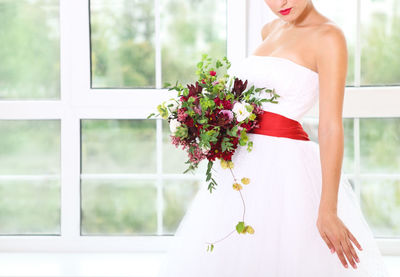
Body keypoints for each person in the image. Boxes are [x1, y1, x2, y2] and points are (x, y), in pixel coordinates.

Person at [157, 0, 390, 276]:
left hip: (286, 171)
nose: (281, 2)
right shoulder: (269, 30)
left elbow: (329, 126)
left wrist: (328, 208)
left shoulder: (329, 37)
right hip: (241, 165)